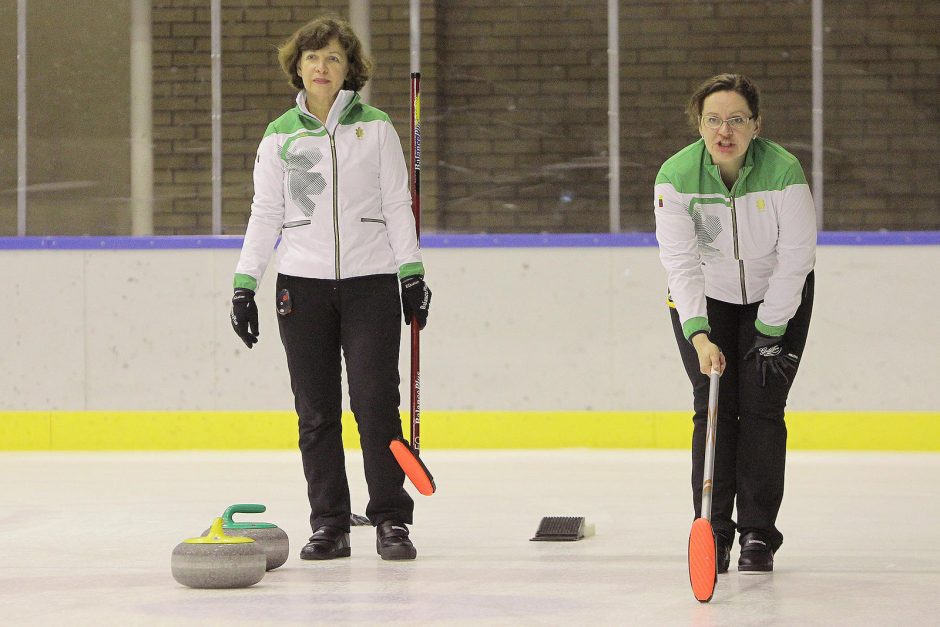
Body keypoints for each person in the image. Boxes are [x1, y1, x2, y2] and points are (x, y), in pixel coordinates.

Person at [229, 15, 431, 562]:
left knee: (375, 407)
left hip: (371, 284)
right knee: (315, 413)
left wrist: (411, 273)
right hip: (302, 288)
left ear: (350, 69)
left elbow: (397, 206)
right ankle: (330, 524)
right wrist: (245, 284)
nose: (322, 67)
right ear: (297, 65)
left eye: (334, 57)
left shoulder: (378, 127)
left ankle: (390, 519)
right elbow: (265, 212)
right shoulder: (279, 135)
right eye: (313, 57)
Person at [654, 74, 816, 574]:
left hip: (779, 298)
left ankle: (758, 536)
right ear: (699, 124)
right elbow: (679, 264)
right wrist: (699, 334)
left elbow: (797, 258)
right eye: (714, 120)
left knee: (763, 410)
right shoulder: (676, 176)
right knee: (714, 408)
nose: (725, 131)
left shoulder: (784, 170)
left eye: (737, 119)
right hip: (708, 298)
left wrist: (771, 329)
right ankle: (714, 531)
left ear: (756, 125)